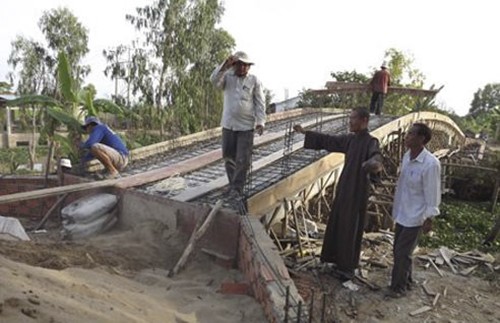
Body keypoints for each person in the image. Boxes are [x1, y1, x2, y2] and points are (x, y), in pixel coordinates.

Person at [294, 107, 383, 280]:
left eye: (353, 118)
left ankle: (347, 267)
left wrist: (373, 164)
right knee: (338, 223)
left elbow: (377, 157)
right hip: (344, 188)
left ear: (364, 120)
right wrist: (306, 133)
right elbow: (329, 141)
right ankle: (335, 260)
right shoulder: (351, 139)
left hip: (357, 192)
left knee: (351, 227)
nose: (350, 121)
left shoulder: (371, 141)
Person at [387, 123, 441, 298]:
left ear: (422, 139)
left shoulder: (431, 164)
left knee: (402, 253)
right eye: (408, 133)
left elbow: (432, 192)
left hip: (417, 215)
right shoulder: (406, 156)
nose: (406, 137)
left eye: (411, 134)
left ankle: (398, 288)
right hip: (403, 211)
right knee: (399, 250)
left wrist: (429, 217)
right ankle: (407, 280)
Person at [210, 51, 266, 197]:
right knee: (229, 156)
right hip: (228, 125)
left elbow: (260, 103)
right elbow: (214, 81)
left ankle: (237, 189)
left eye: (245, 65)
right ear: (234, 65)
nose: (242, 68)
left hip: (246, 126)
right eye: (239, 64)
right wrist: (224, 65)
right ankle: (232, 185)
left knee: (242, 159)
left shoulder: (254, 80)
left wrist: (261, 122)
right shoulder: (227, 77)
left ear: (249, 67)